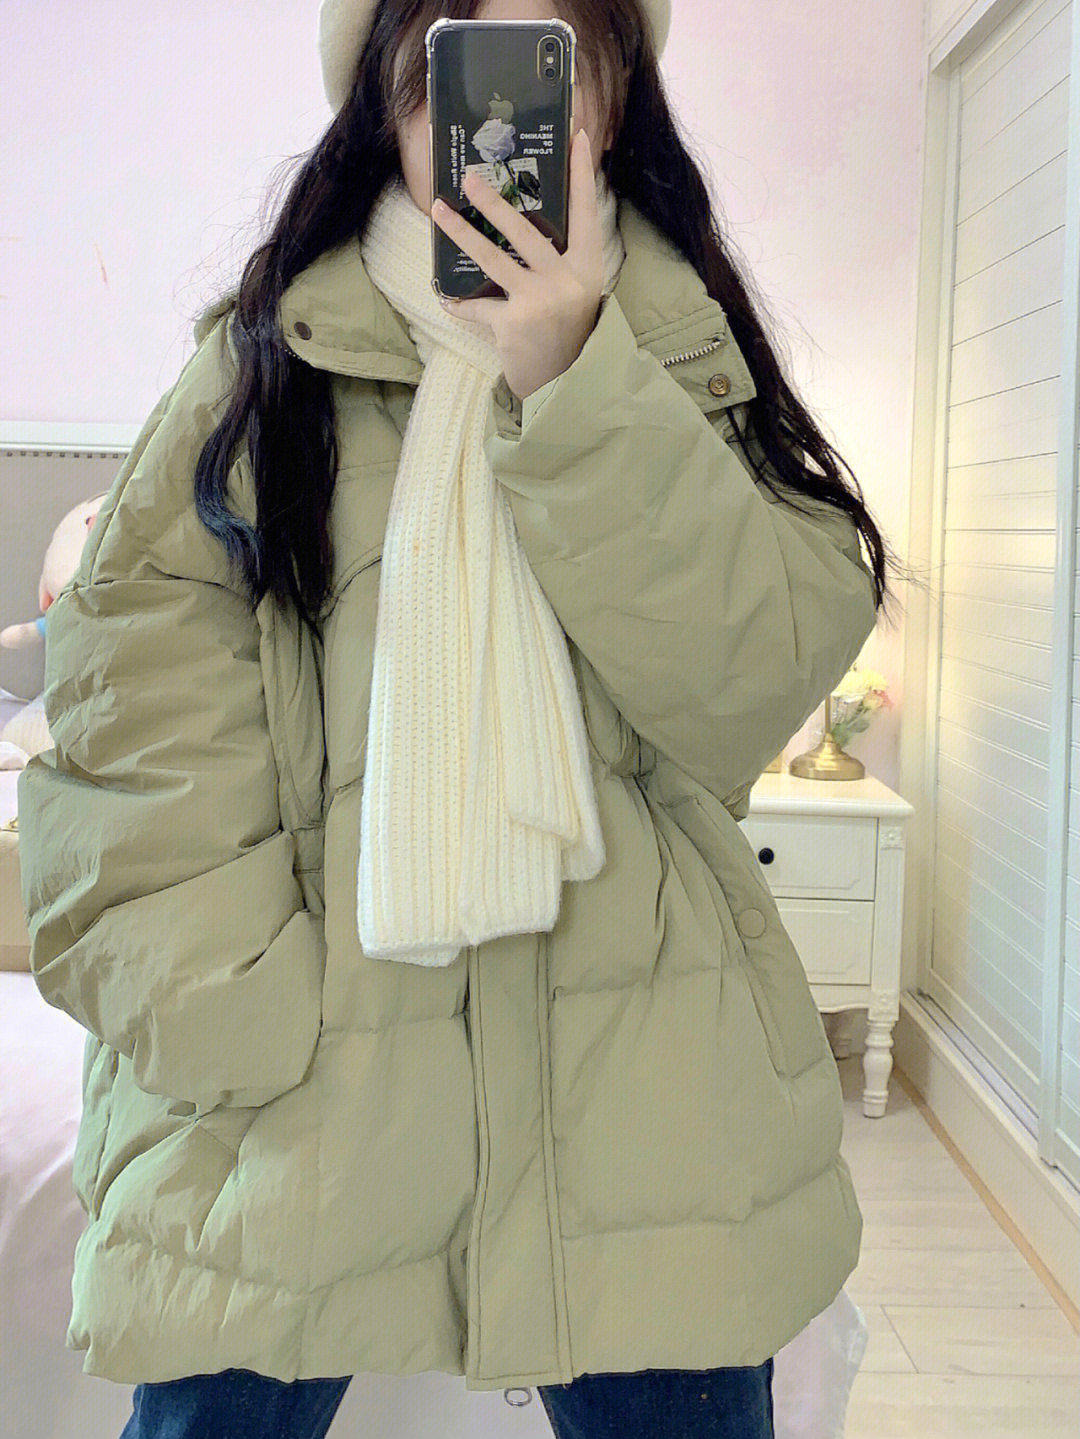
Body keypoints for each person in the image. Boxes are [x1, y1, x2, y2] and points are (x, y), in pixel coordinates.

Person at [18, 0, 900, 1435]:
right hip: (296, 1091)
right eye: (457, 63)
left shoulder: (680, 348)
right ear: (390, 94)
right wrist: (246, 1018)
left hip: (647, 1095)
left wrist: (576, 378)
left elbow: (755, 672)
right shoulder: (264, 365)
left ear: (610, 97)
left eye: (551, 61)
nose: (501, 120)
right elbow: (135, 708)